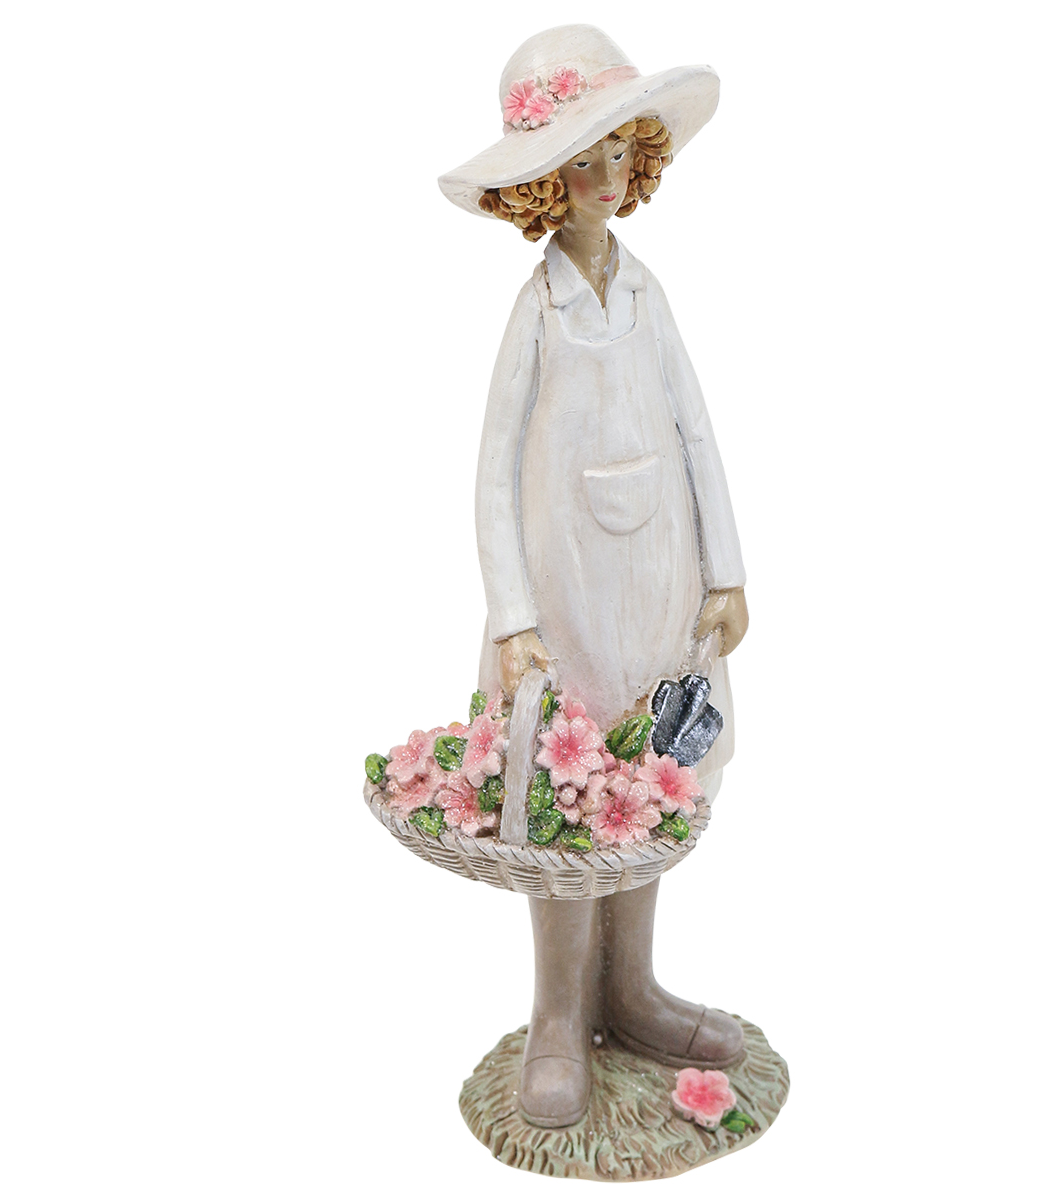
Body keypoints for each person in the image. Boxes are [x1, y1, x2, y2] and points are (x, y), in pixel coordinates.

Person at [439, 24, 749, 1129]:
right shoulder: (537, 312)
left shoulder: (647, 295)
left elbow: (697, 432)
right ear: (543, 183)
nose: (608, 176)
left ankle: (632, 988)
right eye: (584, 159)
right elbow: (490, 475)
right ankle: (562, 1012)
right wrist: (513, 616)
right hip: (566, 591)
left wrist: (724, 570)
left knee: (646, 777)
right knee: (566, 797)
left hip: (654, 581)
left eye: (621, 151)